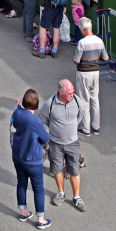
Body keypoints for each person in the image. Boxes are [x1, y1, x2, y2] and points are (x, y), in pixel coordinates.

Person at [38, 80, 87, 212]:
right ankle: (61, 193)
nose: (72, 95)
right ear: (61, 92)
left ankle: (76, 197)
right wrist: (54, 129)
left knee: (74, 170)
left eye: (72, 92)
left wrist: (71, 128)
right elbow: (42, 118)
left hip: (72, 143)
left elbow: (80, 115)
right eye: (69, 93)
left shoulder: (76, 100)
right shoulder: (50, 104)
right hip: (55, 144)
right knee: (57, 169)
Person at [10, 89, 53, 230]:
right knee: (38, 189)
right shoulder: (35, 121)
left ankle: (24, 212)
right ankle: (41, 219)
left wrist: (17, 106)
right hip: (33, 160)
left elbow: (14, 123)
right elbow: (45, 138)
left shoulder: (17, 113)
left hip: (18, 156)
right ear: (36, 103)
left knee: (21, 183)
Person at [74, 17, 110, 136]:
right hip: (95, 73)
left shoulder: (82, 42)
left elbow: (76, 60)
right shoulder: (99, 41)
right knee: (95, 100)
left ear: (84, 30)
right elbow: (105, 58)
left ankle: (85, 129)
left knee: (84, 101)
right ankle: (96, 127)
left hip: (83, 73)